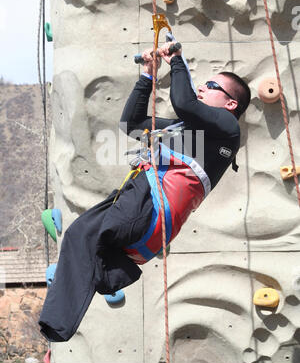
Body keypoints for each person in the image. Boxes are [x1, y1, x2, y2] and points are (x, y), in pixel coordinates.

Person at [38, 42, 251, 342]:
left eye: (212, 85)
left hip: (152, 209)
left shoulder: (228, 128)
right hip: (139, 197)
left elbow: (185, 102)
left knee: (106, 233)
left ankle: (112, 273)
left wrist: (176, 60)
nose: (202, 87)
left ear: (231, 104)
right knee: (77, 234)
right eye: (203, 83)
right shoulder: (182, 129)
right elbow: (132, 123)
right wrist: (147, 77)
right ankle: (57, 324)